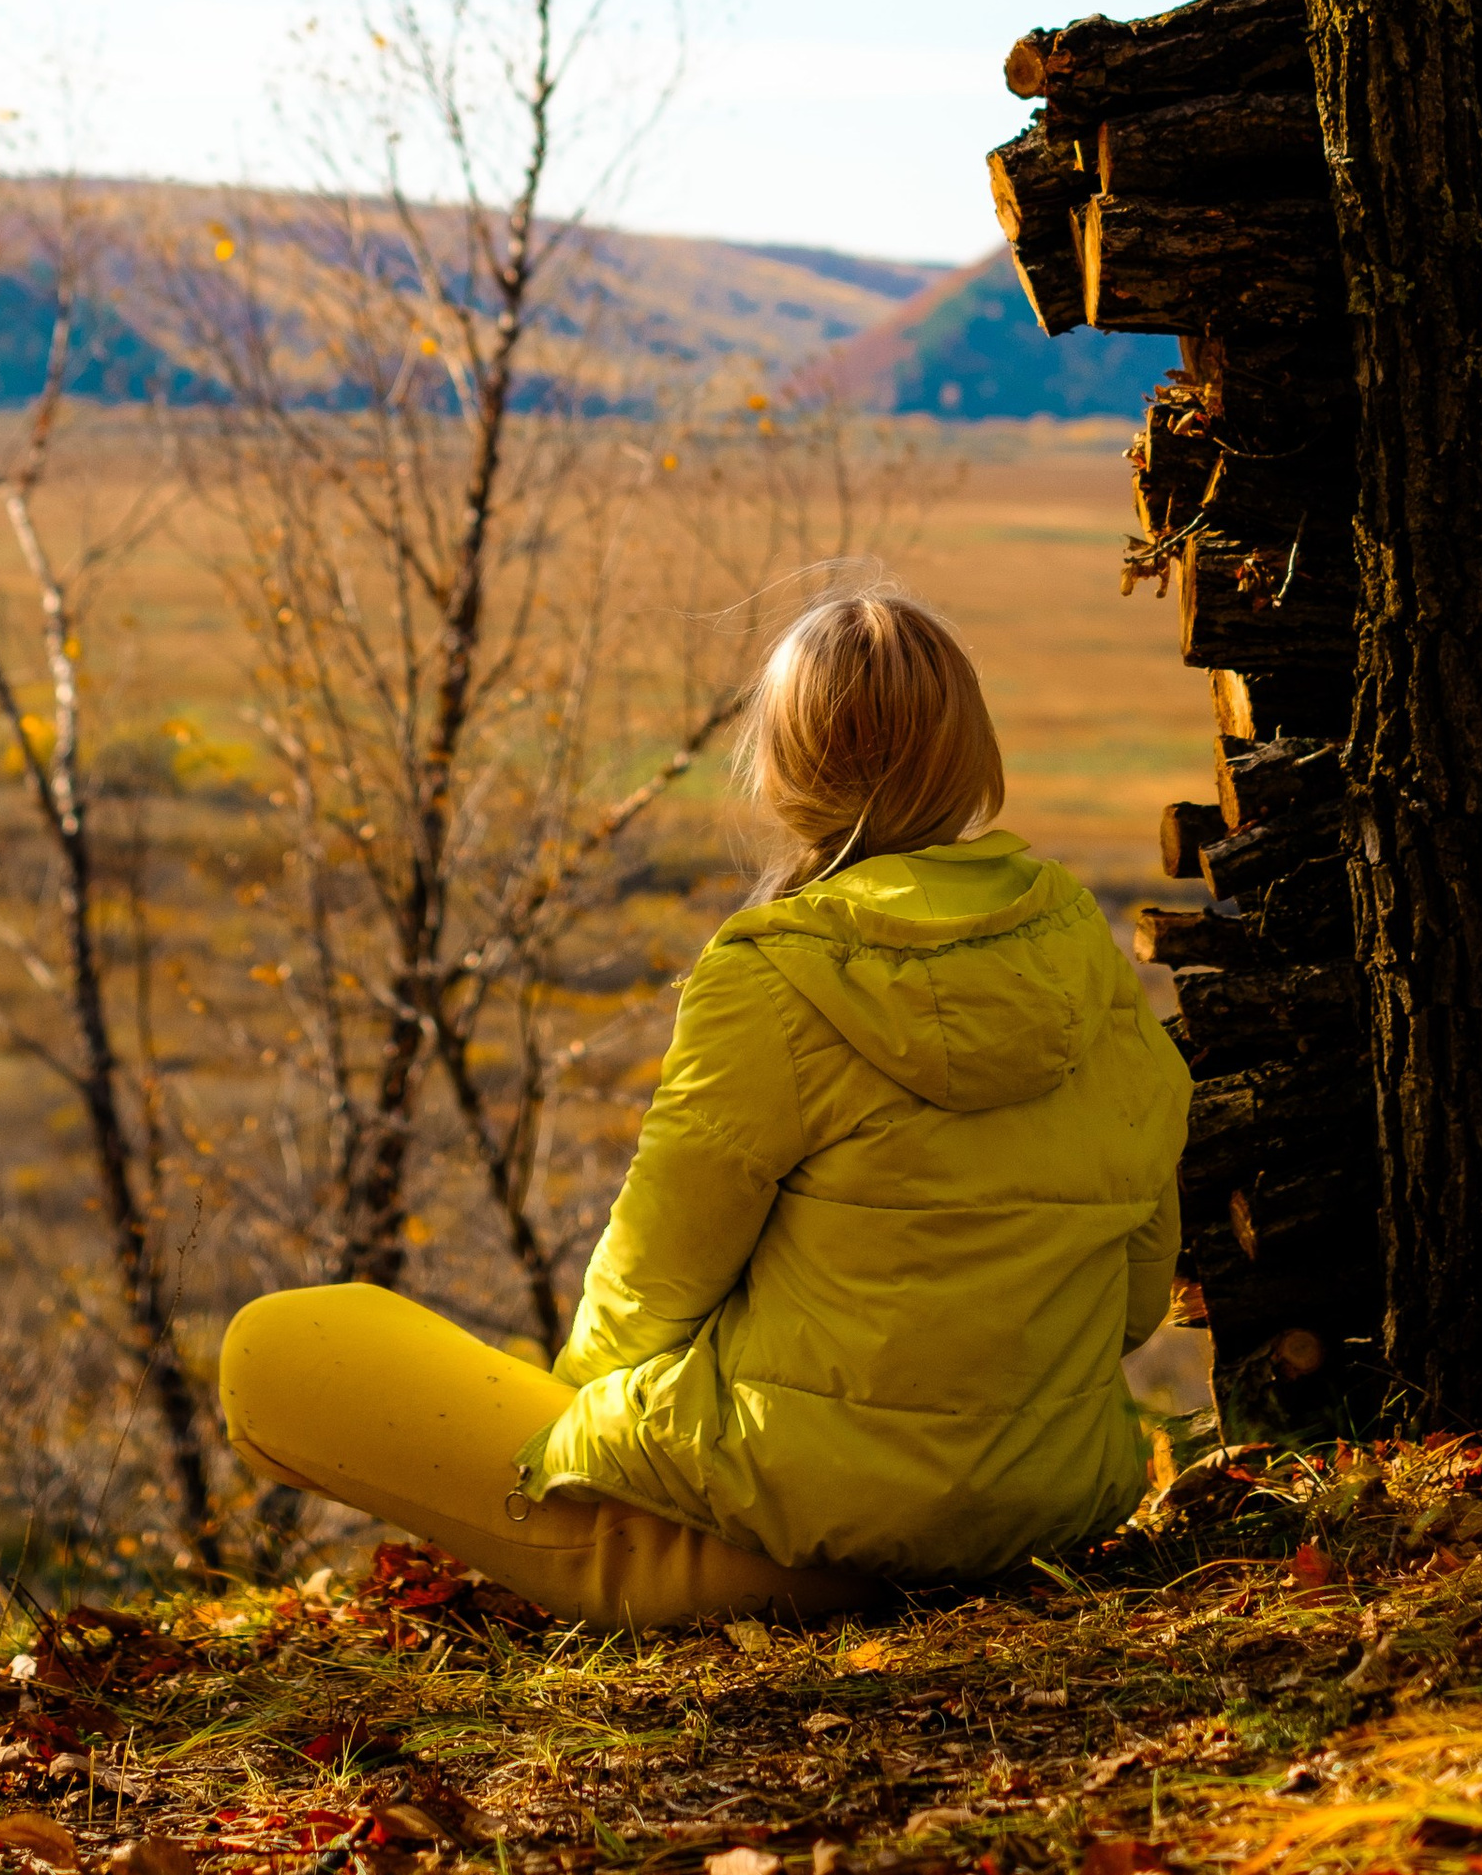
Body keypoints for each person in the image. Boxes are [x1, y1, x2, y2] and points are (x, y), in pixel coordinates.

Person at [217, 582, 1191, 1629]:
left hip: (785, 1550)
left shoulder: (774, 978)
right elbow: (1134, 1301)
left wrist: (586, 1424)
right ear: (972, 757)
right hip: (1038, 1521)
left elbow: (654, 1278)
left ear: (782, 771)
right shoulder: (1081, 959)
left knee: (276, 1349)